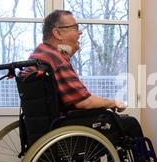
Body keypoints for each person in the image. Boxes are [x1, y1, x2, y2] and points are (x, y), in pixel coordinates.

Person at [28, 9, 143, 140]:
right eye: (75, 28)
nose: (80, 32)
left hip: (47, 127)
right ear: (57, 33)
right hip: (64, 127)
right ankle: (145, 161)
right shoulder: (56, 59)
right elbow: (84, 102)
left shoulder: (40, 55)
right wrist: (114, 102)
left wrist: (67, 54)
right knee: (129, 123)